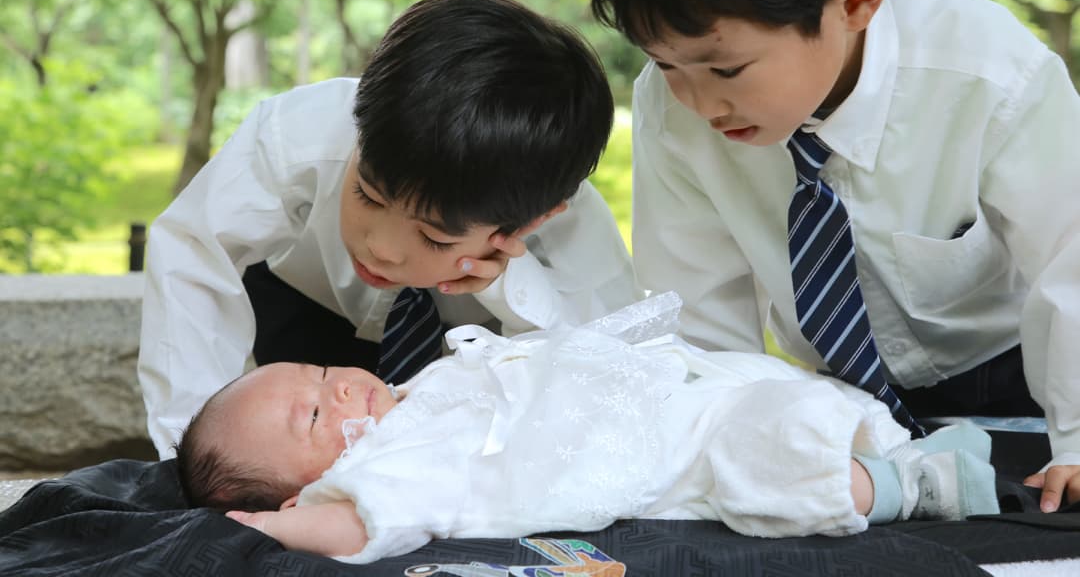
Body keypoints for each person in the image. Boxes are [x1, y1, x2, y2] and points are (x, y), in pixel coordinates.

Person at [589, 0, 1080, 513]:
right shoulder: (669, 109)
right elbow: (698, 321)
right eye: (664, 62)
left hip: (1017, 385)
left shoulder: (990, 74)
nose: (699, 102)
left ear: (854, 3)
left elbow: (1070, 263)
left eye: (726, 68)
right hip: (837, 402)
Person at [138, 0, 640, 459]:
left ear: (534, 219)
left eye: (433, 235)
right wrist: (189, 455)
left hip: (467, 350)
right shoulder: (301, 133)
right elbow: (195, 253)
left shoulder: (565, 226)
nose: (381, 248)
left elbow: (608, 371)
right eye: (367, 194)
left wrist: (518, 292)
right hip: (306, 307)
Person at [175, 295, 999, 563]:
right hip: (668, 456)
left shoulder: (418, 389)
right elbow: (369, 517)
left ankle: (895, 443)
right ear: (308, 483)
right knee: (761, 455)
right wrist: (287, 528)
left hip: (664, 395)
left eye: (318, 374)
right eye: (315, 415)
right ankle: (911, 485)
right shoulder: (395, 460)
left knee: (762, 388)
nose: (339, 384)